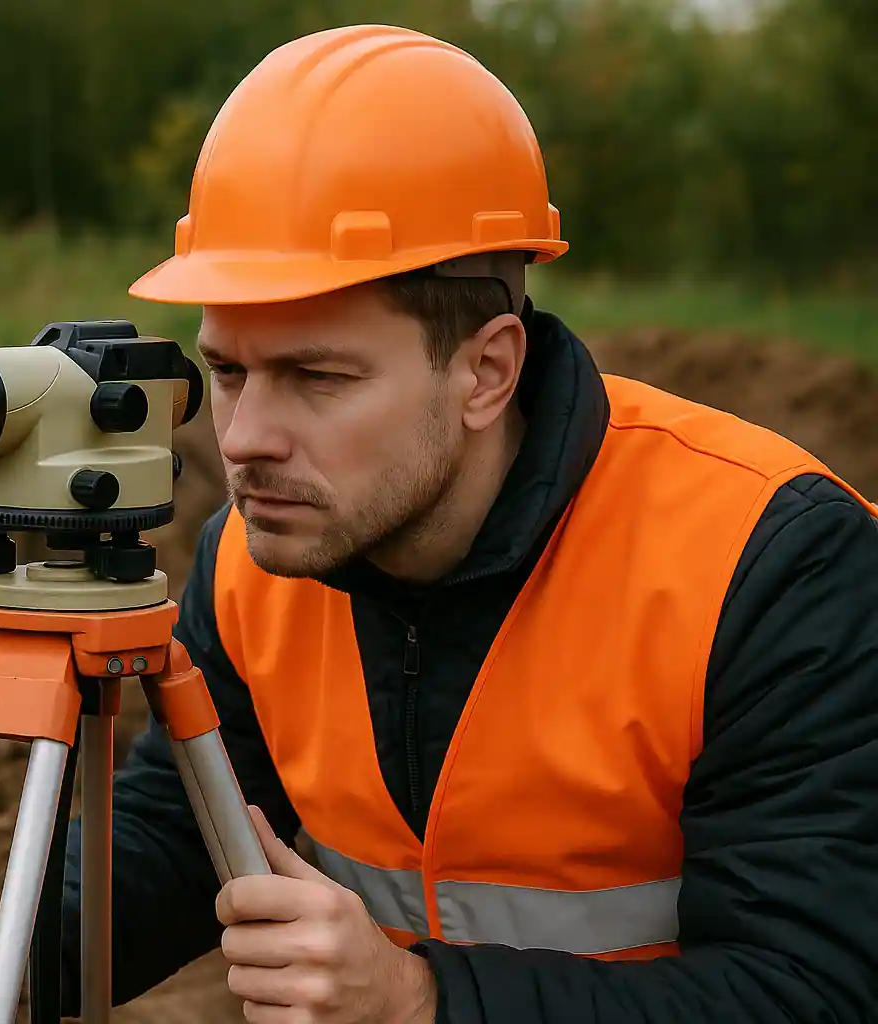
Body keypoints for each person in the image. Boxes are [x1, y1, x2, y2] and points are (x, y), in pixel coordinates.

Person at [56, 23, 878, 1024]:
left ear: (486, 369)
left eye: (317, 377)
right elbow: (185, 837)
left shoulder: (771, 564)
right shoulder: (251, 564)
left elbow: (815, 988)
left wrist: (419, 999)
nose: (247, 438)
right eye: (227, 371)